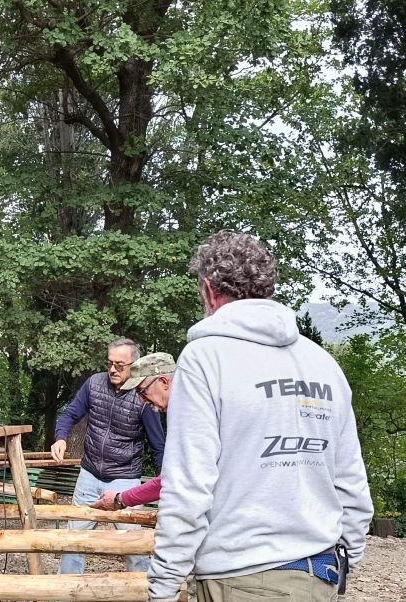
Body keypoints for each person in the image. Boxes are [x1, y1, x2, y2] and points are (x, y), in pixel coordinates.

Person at [148, 232, 374, 602]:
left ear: (208, 289)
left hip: (240, 577)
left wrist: (163, 584)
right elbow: (350, 475)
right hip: (321, 574)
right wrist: (348, 552)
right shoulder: (322, 362)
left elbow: (189, 484)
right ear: (267, 287)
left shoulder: (205, 357)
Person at [51, 337, 166, 573]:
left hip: (125, 480)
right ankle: (65, 592)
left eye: (120, 365)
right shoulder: (94, 384)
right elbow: (69, 414)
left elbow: (158, 445)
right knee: (74, 542)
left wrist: (166, 483)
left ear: (133, 365)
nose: (113, 369)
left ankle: (146, 593)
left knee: (134, 546)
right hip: (89, 475)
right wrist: (61, 437)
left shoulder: (144, 396)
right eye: (110, 363)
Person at [89, 352, 176, 511]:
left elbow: (170, 480)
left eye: (142, 391)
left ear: (164, 382)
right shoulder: (179, 412)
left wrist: (119, 499)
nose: (141, 400)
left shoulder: (190, 416)